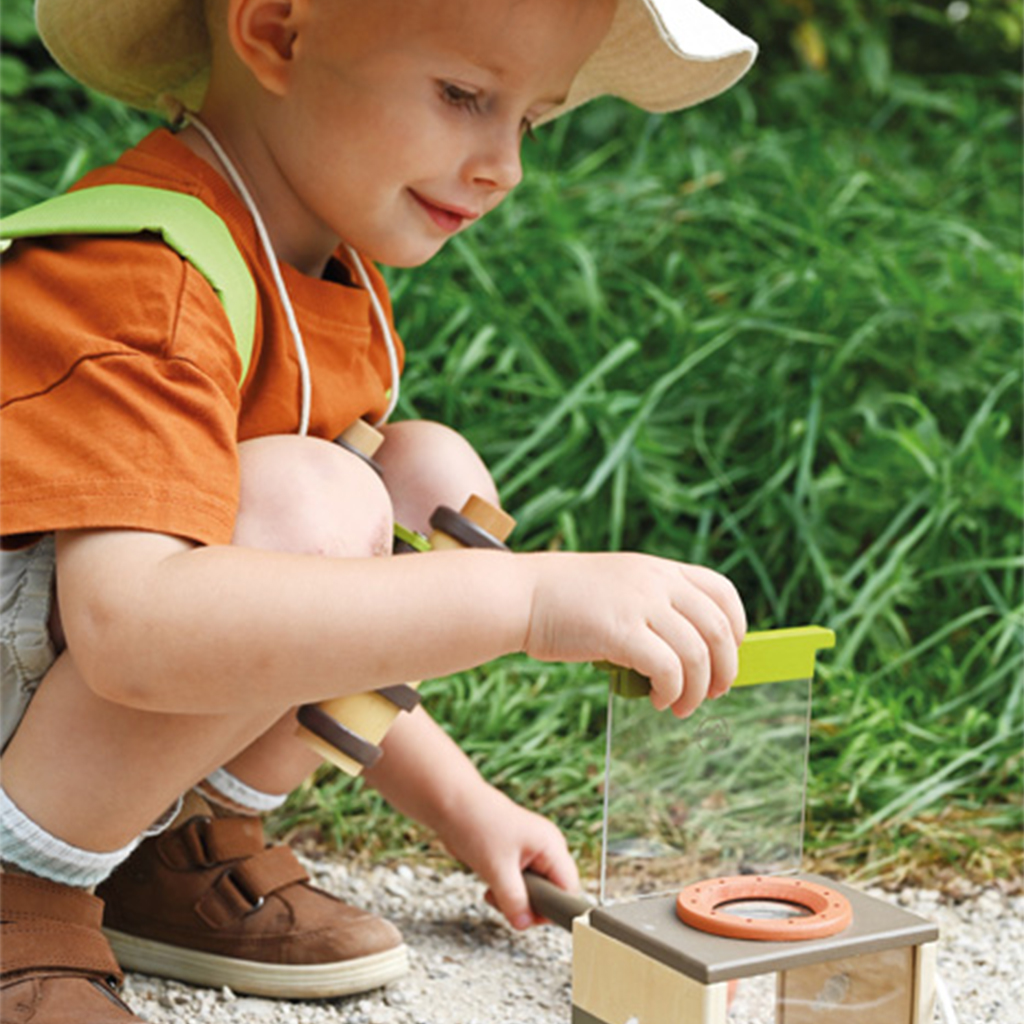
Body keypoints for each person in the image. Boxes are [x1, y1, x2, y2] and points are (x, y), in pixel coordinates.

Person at [0, 0, 757, 1020]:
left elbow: (299, 619)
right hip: (84, 655)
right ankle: (22, 892)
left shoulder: (319, 268)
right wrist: (523, 597)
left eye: (528, 119)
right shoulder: (146, 275)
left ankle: (172, 854)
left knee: (426, 481)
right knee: (323, 496)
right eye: (462, 96)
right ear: (277, 33)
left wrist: (463, 803)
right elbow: (132, 631)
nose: (504, 165)